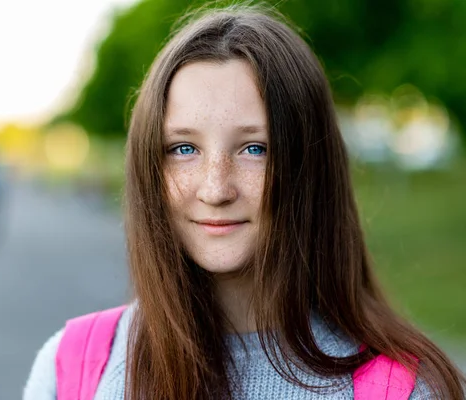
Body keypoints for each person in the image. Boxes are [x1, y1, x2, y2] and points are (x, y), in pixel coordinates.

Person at [24, 5, 465, 399]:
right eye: (184, 149)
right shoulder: (73, 368)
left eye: (255, 149)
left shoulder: (407, 391)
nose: (216, 189)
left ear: (310, 168)